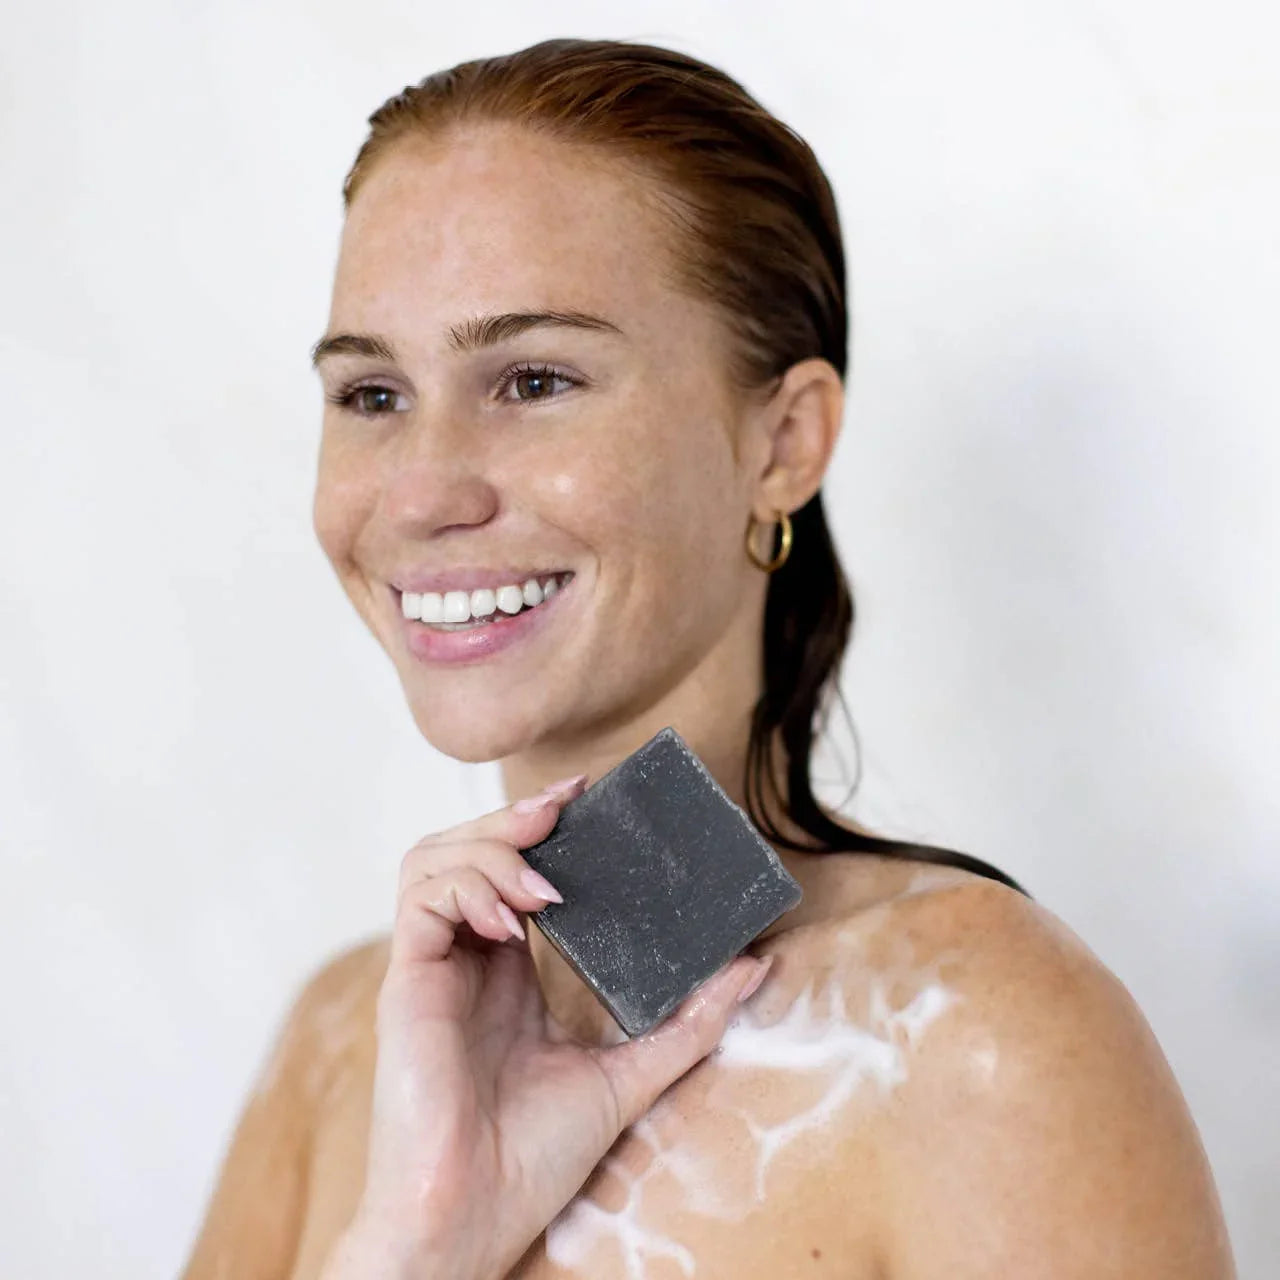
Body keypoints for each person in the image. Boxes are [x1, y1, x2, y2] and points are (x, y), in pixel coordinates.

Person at [180, 37, 1235, 1280]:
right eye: (369, 394)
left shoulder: (971, 1037)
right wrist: (412, 1246)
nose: (419, 492)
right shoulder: (341, 1047)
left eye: (532, 378)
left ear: (783, 440)